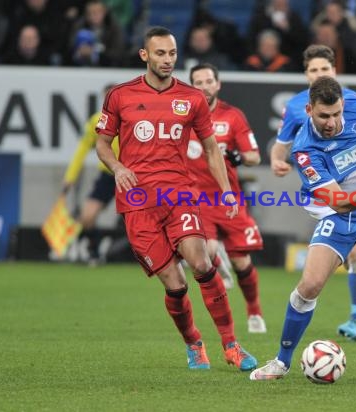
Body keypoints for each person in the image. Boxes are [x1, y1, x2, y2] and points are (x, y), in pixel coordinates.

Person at [95, 26, 257, 371]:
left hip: (179, 195)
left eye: (171, 54)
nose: (167, 60)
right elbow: (101, 144)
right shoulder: (120, 96)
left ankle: (232, 345)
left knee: (201, 264)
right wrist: (119, 167)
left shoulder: (192, 98)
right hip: (138, 203)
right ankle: (194, 344)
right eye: (160, 54)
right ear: (145, 55)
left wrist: (227, 192)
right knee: (176, 284)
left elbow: (212, 149)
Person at [250, 76, 356, 386]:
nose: (331, 122)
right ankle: (281, 361)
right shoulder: (305, 151)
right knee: (310, 284)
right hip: (342, 210)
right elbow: (341, 203)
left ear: (344, 105)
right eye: (323, 116)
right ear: (309, 110)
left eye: (336, 114)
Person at [270, 44, 356, 342]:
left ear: (334, 71)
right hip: (323, 186)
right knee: (352, 251)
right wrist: (276, 160)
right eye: (314, 70)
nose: (319, 74)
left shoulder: (353, 102)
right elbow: (282, 143)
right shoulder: (294, 107)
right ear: (306, 74)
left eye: (325, 69)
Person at [188, 63, 266, 333]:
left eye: (209, 81)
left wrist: (238, 157)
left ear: (217, 84)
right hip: (196, 199)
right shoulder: (183, 118)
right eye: (198, 82)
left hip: (228, 199)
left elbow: (255, 157)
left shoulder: (233, 116)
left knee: (242, 263)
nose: (204, 86)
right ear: (191, 87)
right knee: (205, 252)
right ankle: (217, 262)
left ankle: (254, 311)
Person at [62, 83, 119, 265]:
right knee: (87, 216)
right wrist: (70, 178)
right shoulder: (97, 121)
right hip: (108, 175)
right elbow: (81, 150)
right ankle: (94, 253)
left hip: (135, 175)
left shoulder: (134, 118)